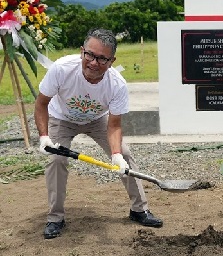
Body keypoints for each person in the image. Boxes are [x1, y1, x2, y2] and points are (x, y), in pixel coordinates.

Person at [34, 28, 163, 239]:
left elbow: (114, 124)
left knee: (125, 154)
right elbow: (41, 104)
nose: (94, 63)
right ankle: (55, 218)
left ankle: (139, 209)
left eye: (102, 59)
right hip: (61, 118)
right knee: (56, 160)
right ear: (82, 51)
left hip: (97, 120)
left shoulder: (117, 84)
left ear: (112, 60)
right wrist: (44, 137)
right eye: (90, 55)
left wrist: (116, 155)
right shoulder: (62, 69)